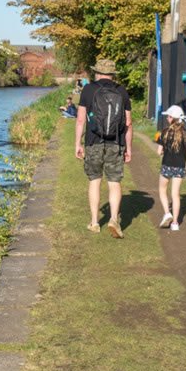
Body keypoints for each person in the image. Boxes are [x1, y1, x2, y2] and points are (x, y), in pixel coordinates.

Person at [75, 58, 132, 238]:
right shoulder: (122, 91)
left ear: (97, 72)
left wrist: (77, 143)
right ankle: (114, 219)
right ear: (113, 74)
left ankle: (94, 222)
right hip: (115, 142)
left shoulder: (89, 90)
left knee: (95, 180)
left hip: (93, 141)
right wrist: (128, 148)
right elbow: (128, 123)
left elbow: (80, 120)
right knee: (114, 182)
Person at [154, 104, 186, 230]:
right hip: (180, 167)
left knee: (162, 190)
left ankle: (167, 213)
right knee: (175, 194)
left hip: (167, 165)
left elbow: (158, 151)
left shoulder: (164, 132)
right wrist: (183, 152)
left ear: (172, 118)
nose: (167, 118)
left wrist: (165, 150)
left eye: (168, 116)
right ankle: (175, 223)